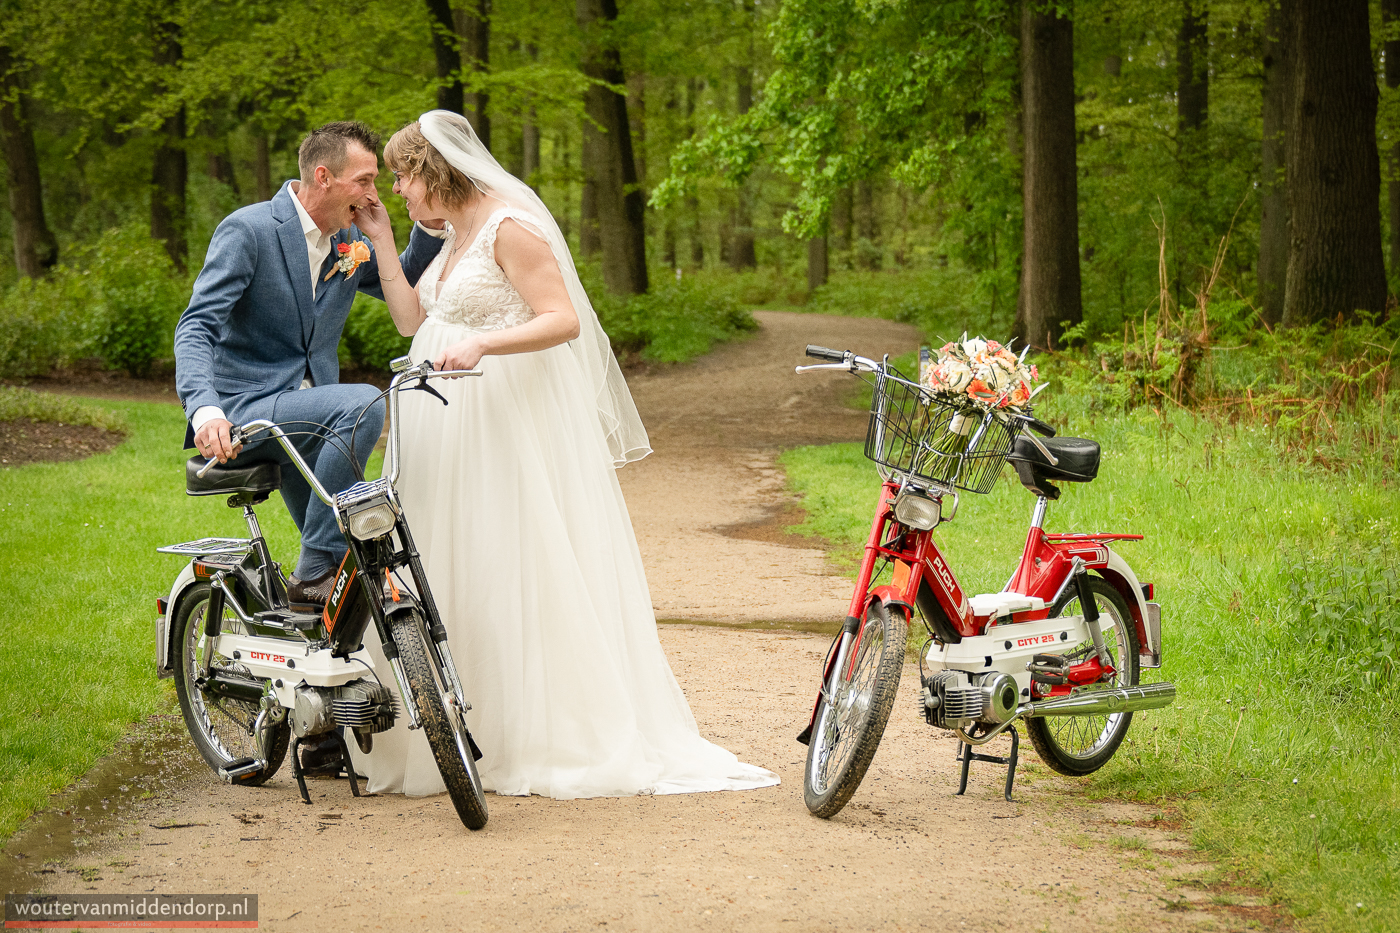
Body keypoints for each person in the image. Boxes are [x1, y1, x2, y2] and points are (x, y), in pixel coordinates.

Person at [346, 110, 778, 799]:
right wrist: (383, 245)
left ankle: (536, 731)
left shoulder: (509, 225)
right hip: (445, 427)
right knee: (455, 564)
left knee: (515, 562)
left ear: (433, 171)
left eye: (402, 175)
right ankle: (458, 717)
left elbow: (562, 318)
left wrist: (486, 343)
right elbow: (413, 322)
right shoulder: (454, 234)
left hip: (502, 420)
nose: (396, 189)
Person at [174, 121, 445, 611]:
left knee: (354, 567)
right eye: (363, 181)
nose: (373, 193)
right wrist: (205, 411)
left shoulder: (348, 240)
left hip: (314, 419)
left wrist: (418, 226)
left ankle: (319, 658)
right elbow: (196, 326)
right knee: (363, 404)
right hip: (247, 412)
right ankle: (315, 566)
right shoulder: (250, 230)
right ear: (324, 177)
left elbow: (400, 282)